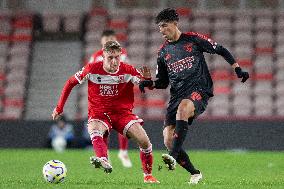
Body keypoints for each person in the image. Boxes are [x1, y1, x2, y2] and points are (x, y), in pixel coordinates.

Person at [139, 8, 249, 184]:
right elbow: (162, 82)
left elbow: (220, 49)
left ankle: (173, 156)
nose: (161, 30)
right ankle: (195, 173)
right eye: (159, 27)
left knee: (183, 109)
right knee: (168, 138)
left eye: (164, 26)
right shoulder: (163, 52)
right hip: (176, 96)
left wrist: (237, 68)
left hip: (198, 90)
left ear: (175, 23)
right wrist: (148, 83)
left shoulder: (193, 39)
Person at [52, 41, 159, 183]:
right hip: (99, 113)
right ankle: (103, 159)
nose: (114, 61)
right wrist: (59, 107)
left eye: (117, 57)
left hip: (122, 114)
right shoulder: (92, 69)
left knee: (145, 142)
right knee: (94, 128)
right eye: (110, 57)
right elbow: (70, 82)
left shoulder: (128, 70)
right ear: (103, 56)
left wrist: (148, 80)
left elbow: (147, 86)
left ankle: (148, 176)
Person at [87, 29, 132, 168]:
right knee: (103, 127)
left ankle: (123, 152)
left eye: (111, 38)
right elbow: (88, 75)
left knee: (123, 124)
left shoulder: (122, 54)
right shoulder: (95, 56)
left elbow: (129, 71)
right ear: (101, 41)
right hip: (102, 97)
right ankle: (104, 157)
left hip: (119, 95)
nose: (109, 41)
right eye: (106, 39)